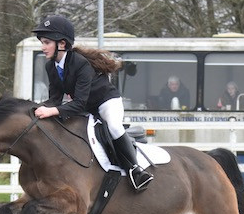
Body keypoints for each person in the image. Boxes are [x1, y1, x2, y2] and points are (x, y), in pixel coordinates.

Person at [32, 15, 153, 192]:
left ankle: (136, 171)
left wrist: (51, 111)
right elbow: (55, 99)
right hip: (88, 108)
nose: (43, 47)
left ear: (62, 44)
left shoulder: (80, 64)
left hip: (106, 102)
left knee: (113, 126)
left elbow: (78, 103)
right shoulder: (51, 66)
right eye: (42, 42)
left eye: (46, 42)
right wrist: (35, 108)